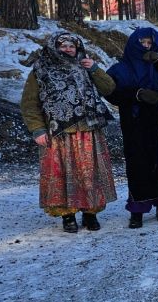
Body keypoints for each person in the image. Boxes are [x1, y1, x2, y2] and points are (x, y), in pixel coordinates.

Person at [21, 32, 117, 233]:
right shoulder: (41, 70)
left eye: (71, 46)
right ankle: (68, 215)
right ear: (54, 48)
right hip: (59, 133)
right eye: (63, 46)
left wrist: (95, 69)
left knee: (89, 173)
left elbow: (109, 88)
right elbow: (30, 104)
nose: (68, 49)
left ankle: (90, 213)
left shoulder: (85, 65)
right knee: (62, 174)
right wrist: (37, 129)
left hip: (89, 130)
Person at [106, 28, 158, 228]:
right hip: (136, 122)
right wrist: (136, 94)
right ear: (134, 43)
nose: (146, 47)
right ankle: (137, 210)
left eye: (150, 43)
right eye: (143, 42)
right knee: (138, 165)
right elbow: (110, 92)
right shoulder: (120, 69)